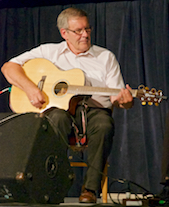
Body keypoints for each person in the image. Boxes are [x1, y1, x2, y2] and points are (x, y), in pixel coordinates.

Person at [1, 7, 133, 203]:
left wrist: (126, 102)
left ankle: (90, 189)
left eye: (87, 29)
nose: (85, 34)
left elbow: (118, 97)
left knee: (105, 125)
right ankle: (51, 184)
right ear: (64, 33)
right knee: (56, 119)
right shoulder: (48, 52)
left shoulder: (105, 57)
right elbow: (8, 67)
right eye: (78, 31)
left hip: (94, 111)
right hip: (60, 112)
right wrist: (30, 89)